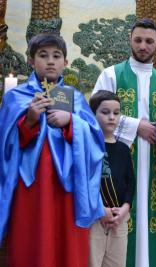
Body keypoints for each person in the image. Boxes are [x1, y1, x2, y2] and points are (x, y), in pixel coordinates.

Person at [0, 33, 105, 267]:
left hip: (67, 188)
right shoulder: (16, 98)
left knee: (66, 246)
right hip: (30, 187)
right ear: (30, 60)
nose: (50, 61)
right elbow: (4, 146)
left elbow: (96, 142)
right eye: (43, 55)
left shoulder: (75, 99)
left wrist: (72, 123)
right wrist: (29, 121)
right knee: (32, 243)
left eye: (56, 56)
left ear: (65, 63)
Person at [92, 18, 156, 267]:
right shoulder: (111, 75)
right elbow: (93, 113)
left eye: (149, 41)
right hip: (118, 167)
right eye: (138, 40)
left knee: (152, 224)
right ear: (130, 39)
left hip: (153, 169)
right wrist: (136, 125)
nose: (142, 45)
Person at [89, 90, 135, 267]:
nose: (111, 117)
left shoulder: (123, 149)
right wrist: (100, 208)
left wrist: (125, 208)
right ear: (93, 114)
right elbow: (85, 182)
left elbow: (131, 182)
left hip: (119, 220)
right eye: (105, 112)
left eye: (116, 113)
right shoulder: (89, 146)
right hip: (95, 219)